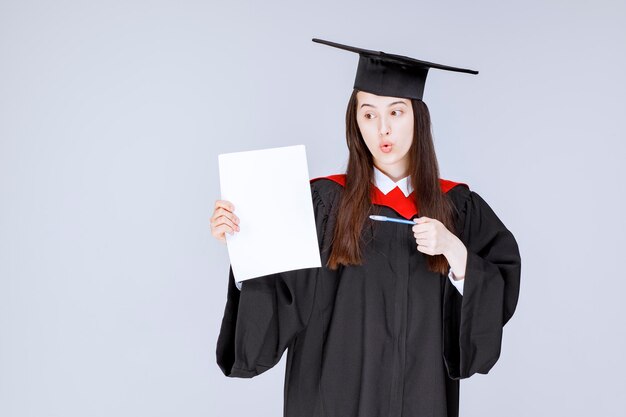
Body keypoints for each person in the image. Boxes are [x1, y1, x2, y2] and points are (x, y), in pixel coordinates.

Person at [211, 38, 522, 417]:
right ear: (355, 122)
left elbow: (492, 302)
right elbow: (277, 299)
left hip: (420, 401)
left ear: (418, 117)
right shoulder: (323, 204)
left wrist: (455, 251)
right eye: (369, 114)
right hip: (330, 400)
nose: (383, 130)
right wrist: (244, 245)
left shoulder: (456, 208)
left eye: (397, 112)